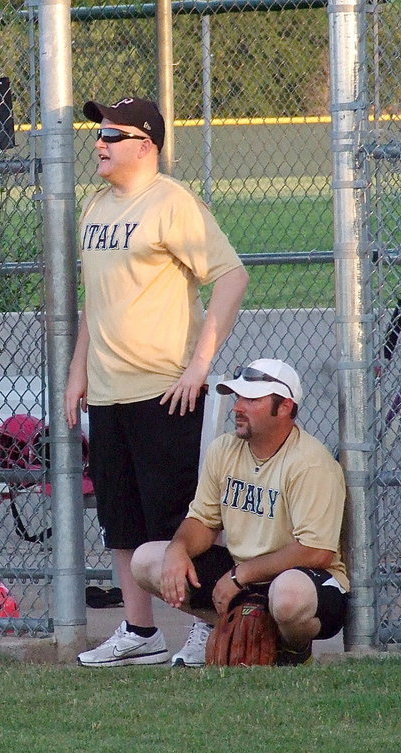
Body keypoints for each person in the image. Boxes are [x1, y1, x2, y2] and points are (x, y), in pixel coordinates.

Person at [65, 96, 249, 667]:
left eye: (113, 135)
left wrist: (198, 367)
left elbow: (232, 277)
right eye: (99, 134)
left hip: (164, 389)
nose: (100, 143)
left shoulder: (172, 203)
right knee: (121, 521)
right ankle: (140, 633)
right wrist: (77, 373)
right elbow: (94, 303)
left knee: (179, 521)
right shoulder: (93, 208)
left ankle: (206, 623)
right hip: (109, 391)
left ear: (146, 145)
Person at [131, 358, 349, 666]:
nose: (238, 407)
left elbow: (316, 551)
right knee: (147, 560)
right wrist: (178, 549)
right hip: (242, 574)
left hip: (305, 579)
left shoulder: (310, 463)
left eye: (252, 399)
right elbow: (203, 522)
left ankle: (294, 650)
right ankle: (243, 625)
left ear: (285, 407)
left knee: (288, 597)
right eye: (238, 397)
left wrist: (238, 576)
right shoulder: (224, 449)